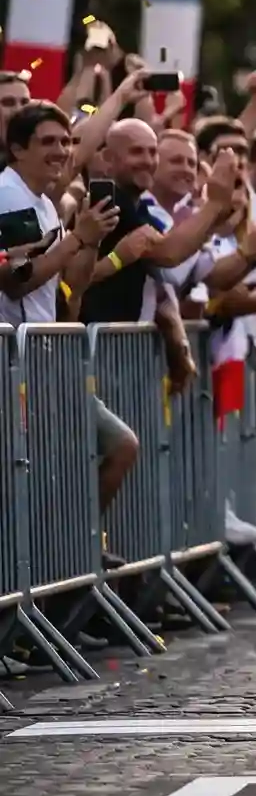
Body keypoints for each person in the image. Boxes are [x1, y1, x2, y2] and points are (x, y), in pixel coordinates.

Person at [0, 103, 123, 513]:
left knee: (118, 447)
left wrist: (91, 239)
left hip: (43, 358)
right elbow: (18, 281)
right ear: (17, 149)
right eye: (48, 142)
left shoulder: (45, 203)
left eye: (66, 141)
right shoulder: (8, 194)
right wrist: (76, 239)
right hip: (15, 364)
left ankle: (79, 548)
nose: (62, 151)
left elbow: (70, 283)